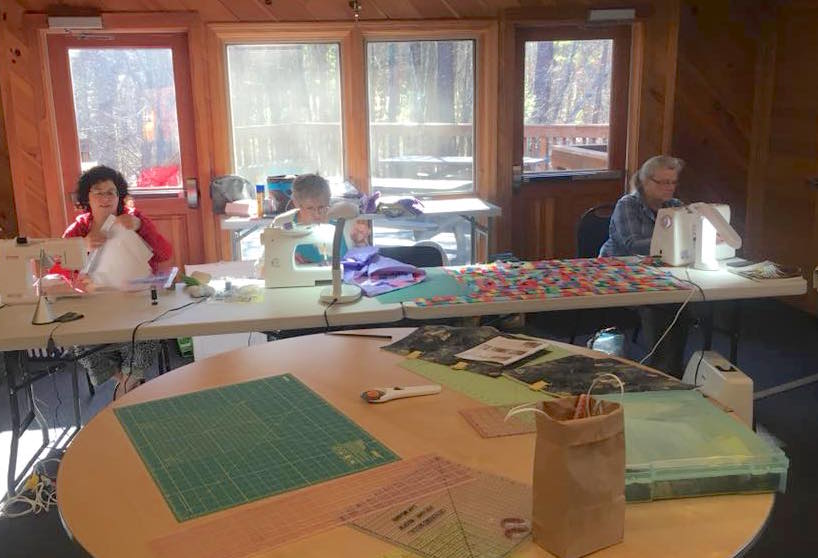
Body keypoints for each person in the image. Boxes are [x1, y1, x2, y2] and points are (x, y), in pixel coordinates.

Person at [63, 165, 172, 399]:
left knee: (150, 330)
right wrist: (81, 246)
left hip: (138, 303)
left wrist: (140, 226)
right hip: (96, 309)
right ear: (86, 198)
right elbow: (57, 270)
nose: (105, 197)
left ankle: (125, 388)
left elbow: (165, 253)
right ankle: (127, 381)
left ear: (119, 195)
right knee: (76, 338)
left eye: (111, 192)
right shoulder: (78, 229)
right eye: (98, 192)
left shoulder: (134, 219)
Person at [599, 155, 690, 378]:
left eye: (673, 182)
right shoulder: (628, 205)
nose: (670, 188)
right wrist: (677, 240)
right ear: (646, 181)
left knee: (684, 302)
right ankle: (661, 370)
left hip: (659, 272)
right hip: (619, 272)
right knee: (657, 304)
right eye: (663, 182)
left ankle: (673, 368)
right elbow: (632, 245)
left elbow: (687, 238)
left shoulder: (675, 206)